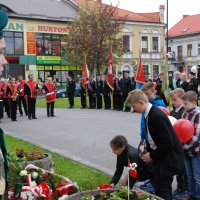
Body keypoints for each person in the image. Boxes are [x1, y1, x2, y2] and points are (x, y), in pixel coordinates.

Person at [125, 90, 184, 200]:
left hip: (168, 160)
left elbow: (167, 143)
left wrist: (151, 155)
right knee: (160, 188)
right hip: (162, 158)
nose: (133, 109)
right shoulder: (149, 113)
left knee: (162, 191)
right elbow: (152, 139)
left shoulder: (156, 116)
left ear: (141, 102)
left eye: (134, 106)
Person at [139, 82, 166, 193]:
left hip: (156, 139)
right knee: (147, 161)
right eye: (144, 95)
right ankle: (151, 180)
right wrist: (143, 135)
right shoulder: (145, 104)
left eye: (148, 94)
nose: (147, 97)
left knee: (156, 162)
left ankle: (156, 183)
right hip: (146, 136)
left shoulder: (159, 103)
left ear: (154, 92)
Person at [181, 91, 200, 200]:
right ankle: (191, 194)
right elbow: (181, 130)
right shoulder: (185, 113)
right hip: (185, 150)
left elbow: (196, 136)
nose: (184, 105)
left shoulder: (198, 114)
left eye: (186, 103)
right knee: (189, 176)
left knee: (197, 176)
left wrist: (185, 146)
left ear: (194, 102)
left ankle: (197, 196)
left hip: (196, 151)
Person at [170, 89, 188, 199]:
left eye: (175, 100)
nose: (173, 102)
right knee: (177, 168)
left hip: (182, 144)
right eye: (172, 100)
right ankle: (180, 186)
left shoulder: (183, 113)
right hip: (174, 144)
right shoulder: (173, 112)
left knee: (184, 169)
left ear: (182, 99)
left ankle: (185, 188)